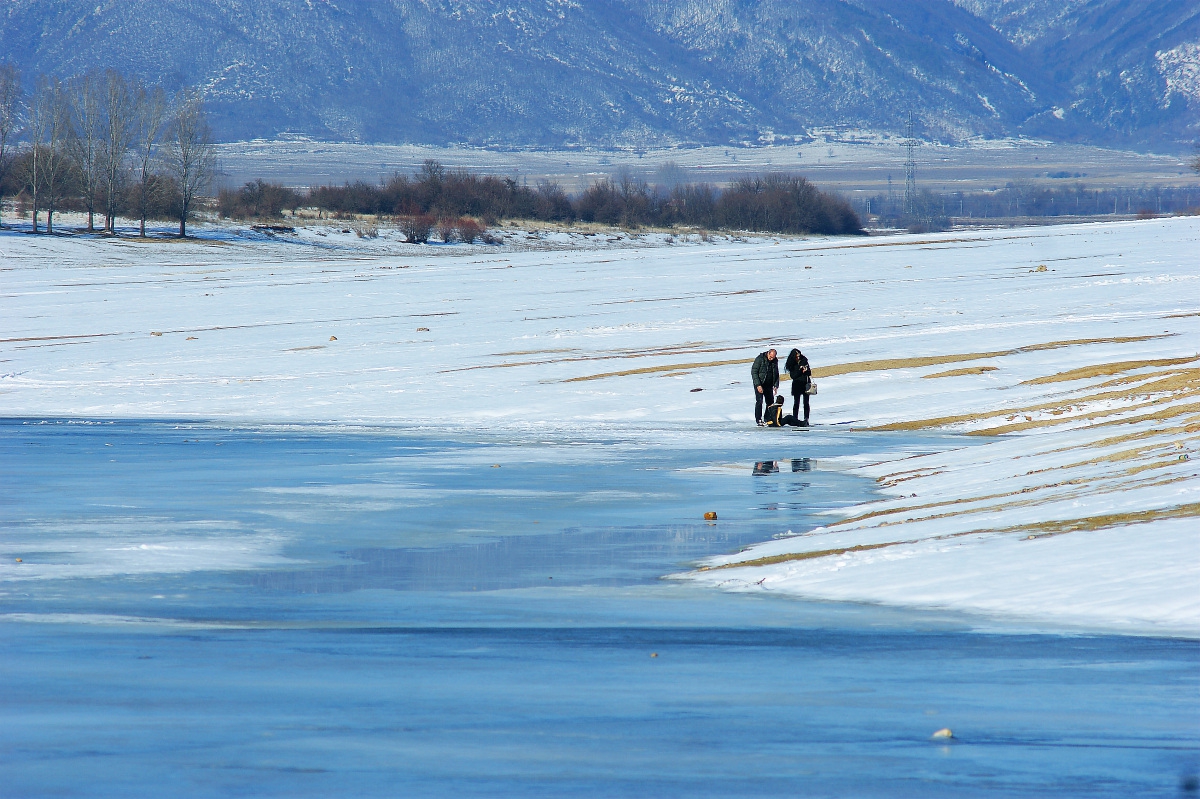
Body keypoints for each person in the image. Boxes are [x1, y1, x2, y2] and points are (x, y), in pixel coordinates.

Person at [751, 348, 779, 425]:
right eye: (770, 357)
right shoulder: (760, 359)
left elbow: (776, 373)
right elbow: (754, 372)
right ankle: (758, 419)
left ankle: (767, 418)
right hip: (760, 383)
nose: (771, 359)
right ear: (768, 353)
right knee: (759, 401)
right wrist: (758, 385)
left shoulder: (775, 361)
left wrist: (776, 385)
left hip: (768, 384)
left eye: (773, 357)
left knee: (770, 402)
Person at [784, 347, 812, 426]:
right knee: (796, 402)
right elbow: (793, 375)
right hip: (797, 384)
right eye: (797, 357)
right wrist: (800, 371)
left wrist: (806, 371)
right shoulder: (791, 363)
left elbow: (809, 373)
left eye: (799, 356)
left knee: (806, 402)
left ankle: (806, 418)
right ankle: (795, 419)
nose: (798, 358)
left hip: (806, 383)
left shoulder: (804, 360)